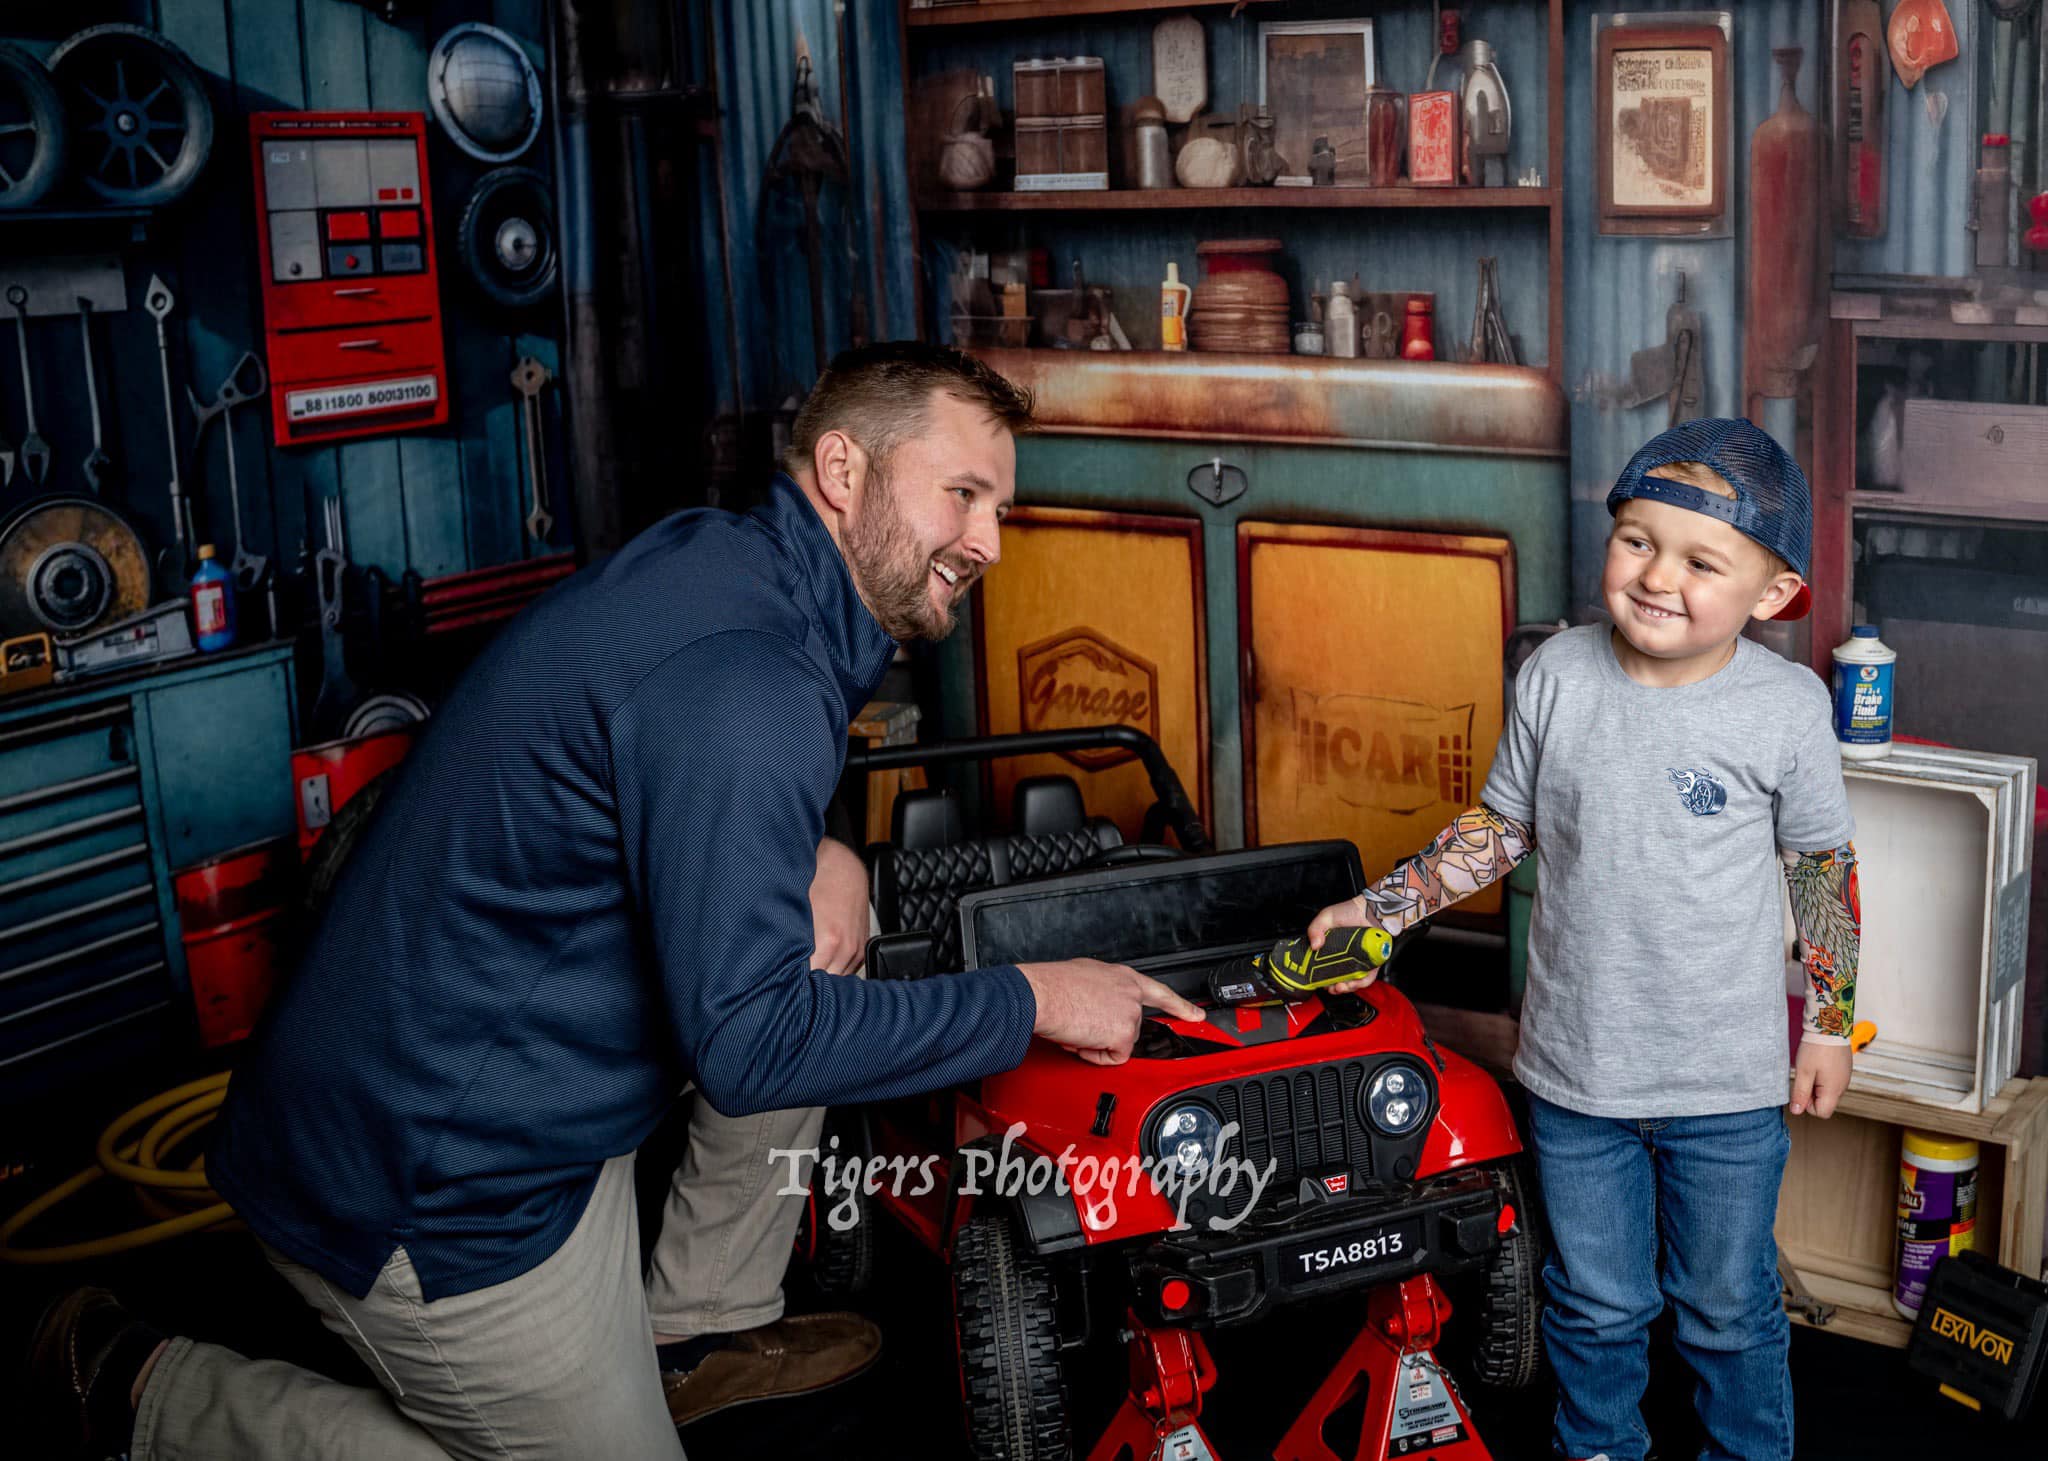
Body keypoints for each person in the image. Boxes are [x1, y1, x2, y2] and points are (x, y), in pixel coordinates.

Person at [30, 342, 1202, 1461]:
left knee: (821, 929)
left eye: (999, 506)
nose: (989, 541)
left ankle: (690, 1330)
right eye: (963, 495)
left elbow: (680, 764)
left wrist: (827, 851)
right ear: (843, 470)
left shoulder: (729, 563)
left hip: (508, 1080)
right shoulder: (752, 679)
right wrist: (1031, 999)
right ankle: (146, 1390)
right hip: (435, 1188)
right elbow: (752, 1043)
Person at [1306, 418, 1861, 1461]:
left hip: (1725, 1084)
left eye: (1701, 561)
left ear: (1773, 593)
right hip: (1576, 1073)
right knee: (1595, 1303)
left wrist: (1830, 1023)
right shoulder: (1556, 672)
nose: (1657, 576)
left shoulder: (1787, 707)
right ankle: (1599, 1446)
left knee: (1725, 1308)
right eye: (1637, 540)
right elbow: (1500, 829)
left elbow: (1819, 870)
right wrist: (1381, 911)